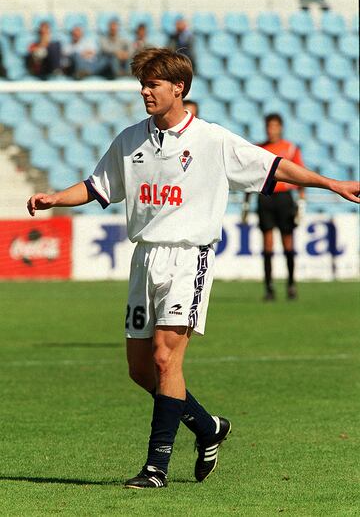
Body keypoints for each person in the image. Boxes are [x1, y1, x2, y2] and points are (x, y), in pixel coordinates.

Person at [27, 48, 359, 489]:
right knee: (140, 370)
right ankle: (207, 427)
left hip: (189, 255)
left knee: (166, 357)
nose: (144, 91)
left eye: (153, 84)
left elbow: (274, 166)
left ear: (178, 88)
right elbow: (96, 187)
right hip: (144, 257)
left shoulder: (212, 140)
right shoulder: (130, 140)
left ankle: (156, 468)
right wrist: (54, 198)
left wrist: (331, 183)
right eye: (142, 84)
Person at [244, 113, 306, 301]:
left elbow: (301, 174)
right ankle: (269, 287)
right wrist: (246, 204)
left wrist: (301, 204)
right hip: (265, 198)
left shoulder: (290, 149)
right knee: (268, 243)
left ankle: (291, 284)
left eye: (275, 126)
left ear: (280, 128)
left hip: (285, 199)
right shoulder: (258, 149)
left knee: (288, 242)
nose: (271, 130)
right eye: (269, 126)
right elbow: (249, 177)